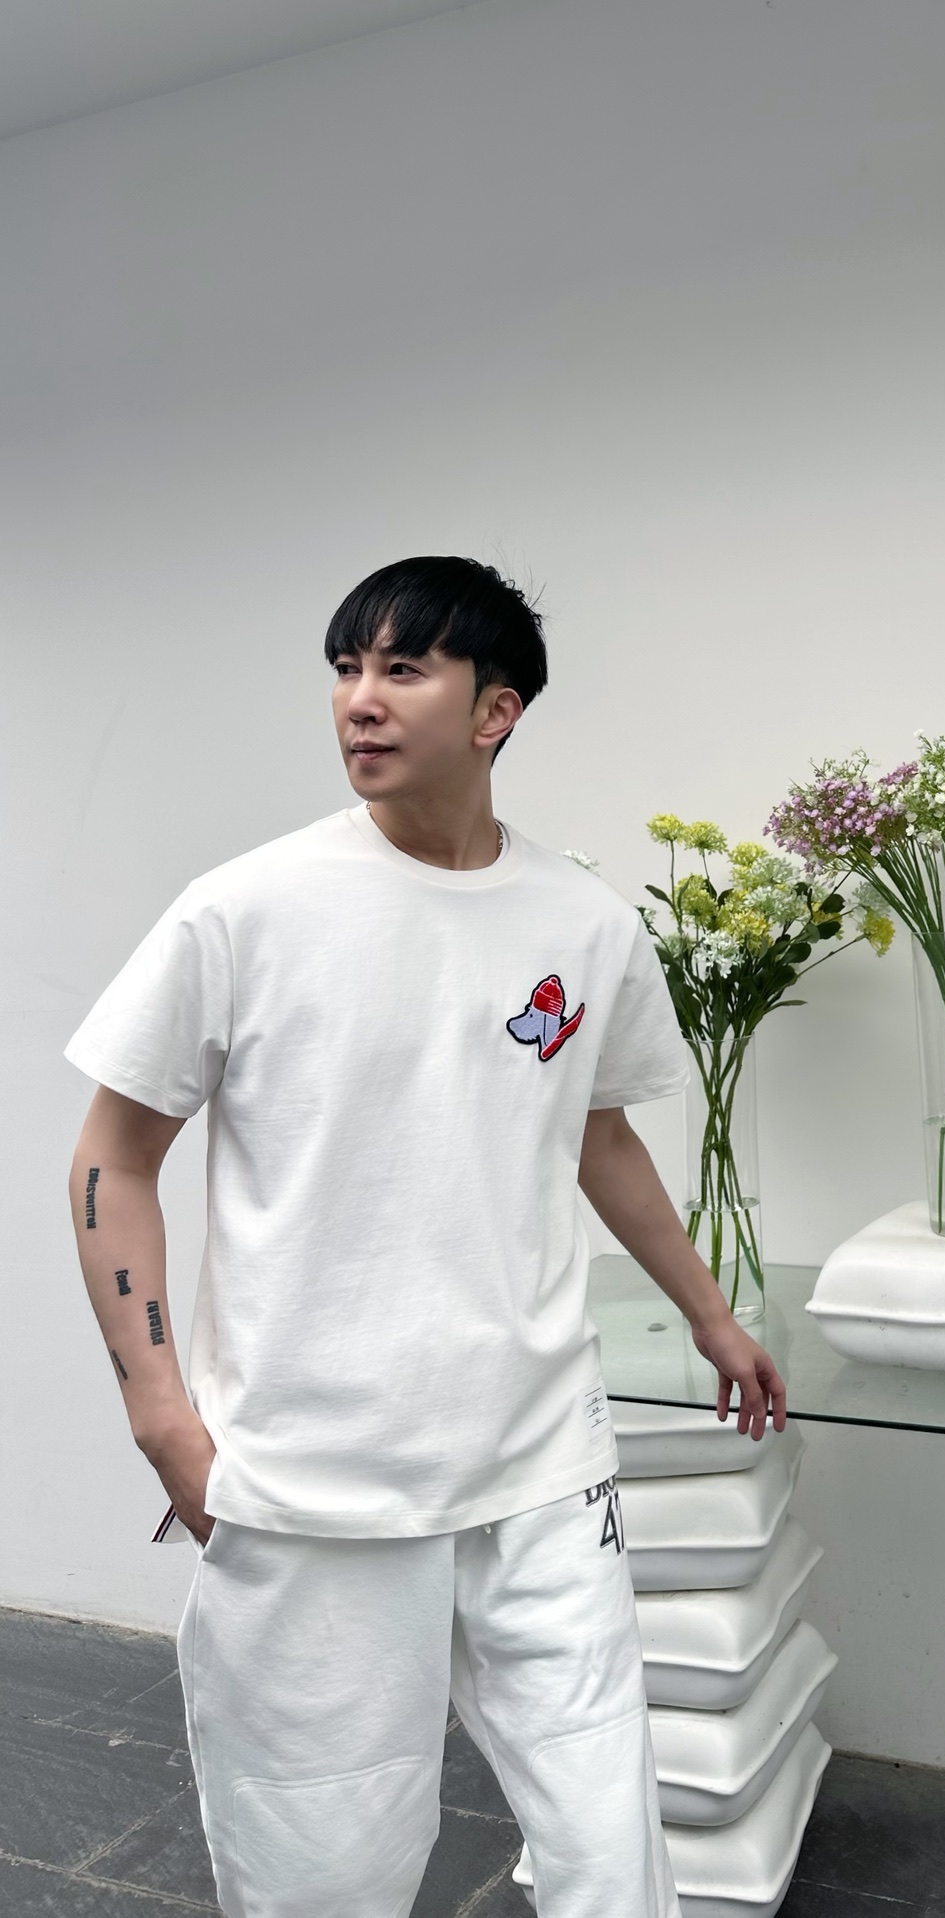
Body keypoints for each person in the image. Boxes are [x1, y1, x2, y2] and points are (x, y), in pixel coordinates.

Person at [65, 555, 788, 1918]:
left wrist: (709, 1313)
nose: (361, 699)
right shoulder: (244, 910)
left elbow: (597, 1137)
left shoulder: (582, 920)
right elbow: (114, 1158)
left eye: (403, 669)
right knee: (320, 1859)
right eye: (346, 669)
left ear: (495, 710)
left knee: (607, 1840)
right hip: (314, 1472)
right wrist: (162, 1412)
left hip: (537, 1452)